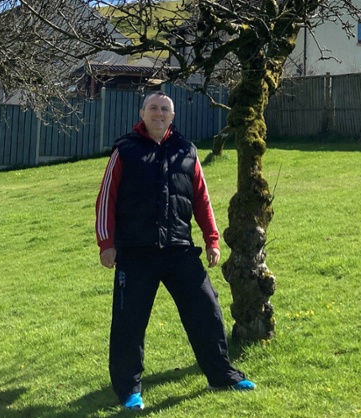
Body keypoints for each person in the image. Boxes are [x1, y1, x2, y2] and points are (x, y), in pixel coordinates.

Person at [95, 91, 255, 411]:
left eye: (165, 109)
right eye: (153, 108)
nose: (159, 113)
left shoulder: (187, 151)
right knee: (129, 324)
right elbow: (106, 199)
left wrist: (212, 239)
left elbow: (201, 199)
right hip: (135, 253)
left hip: (179, 249)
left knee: (206, 310)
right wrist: (106, 243)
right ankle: (129, 390)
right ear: (142, 113)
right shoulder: (125, 150)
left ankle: (221, 374)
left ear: (173, 116)